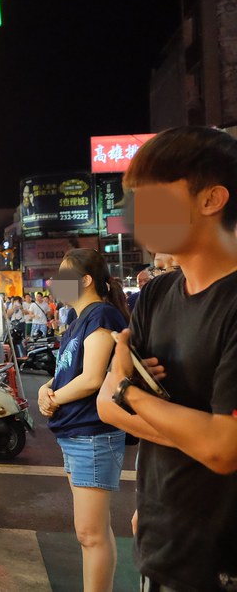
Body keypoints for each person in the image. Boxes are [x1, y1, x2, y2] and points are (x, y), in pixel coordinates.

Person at [96, 127, 237, 592]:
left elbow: (223, 449)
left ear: (211, 199)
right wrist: (192, 431)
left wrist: (131, 391)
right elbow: (105, 405)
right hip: (160, 544)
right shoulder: (157, 294)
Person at [38, 249, 130, 592]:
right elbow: (68, 372)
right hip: (78, 433)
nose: (55, 283)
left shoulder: (101, 316)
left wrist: (52, 399)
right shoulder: (81, 318)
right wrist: (46, 389)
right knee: (92, 532)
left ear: (86, 280)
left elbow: (92, 379)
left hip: (93, 434)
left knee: (91, 534)